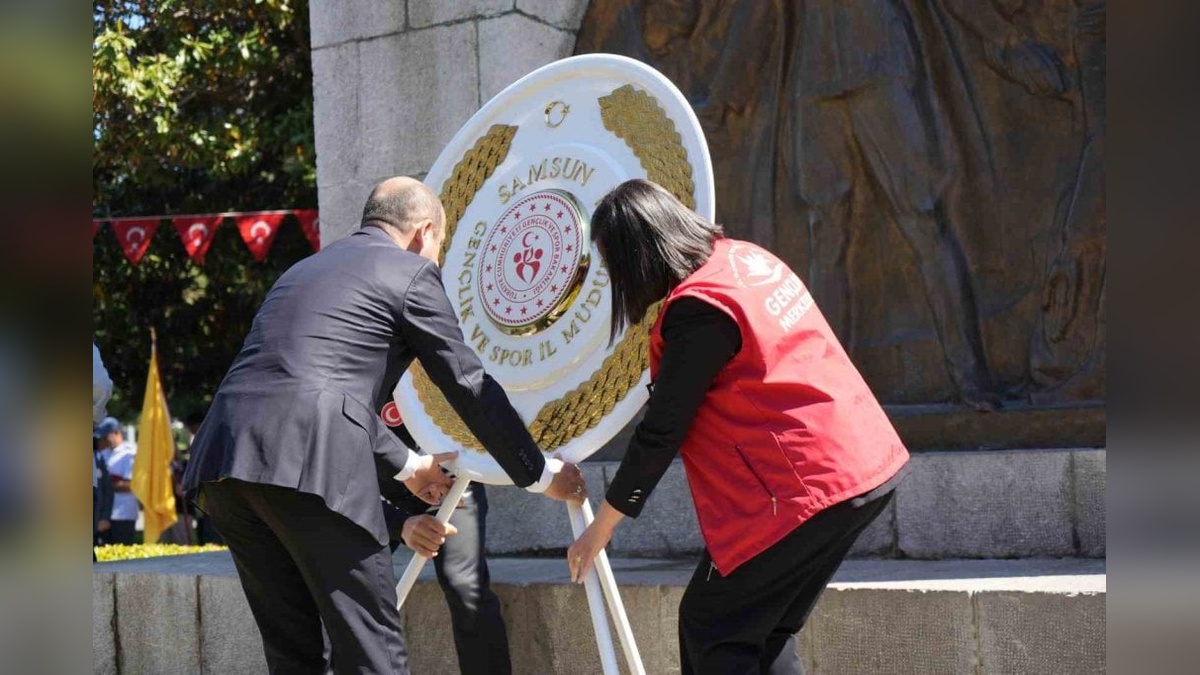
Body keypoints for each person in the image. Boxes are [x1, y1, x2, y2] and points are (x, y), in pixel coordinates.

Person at [182, 176, 587, 675]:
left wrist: (411, 466)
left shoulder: (302, 271)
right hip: (311, 466)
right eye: (440, 244)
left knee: (293, 655)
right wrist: (539, 475)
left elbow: (315, 393)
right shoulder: (409, 271)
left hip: (223, 462)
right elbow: (468, 384)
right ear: (424, 231)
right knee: (371, 654)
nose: (436, 259)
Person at [568, 179, 910, 674]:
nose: (615, 278)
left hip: (804, 488)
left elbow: (661, 432)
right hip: (858, 466)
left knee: (713, 627)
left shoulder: (699, 309)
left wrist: (600, 528)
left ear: (637, 253)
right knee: (763, 633)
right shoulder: (743, 261)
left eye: (612, 262)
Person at [95, 416, 139, 545]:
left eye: (105, 436)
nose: (103, 440)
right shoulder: (104, 453)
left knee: (121, 549)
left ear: (116, 433)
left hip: (123, 513)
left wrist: (104, 485)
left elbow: (132, 485)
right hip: (105, 513)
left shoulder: (130, 454)